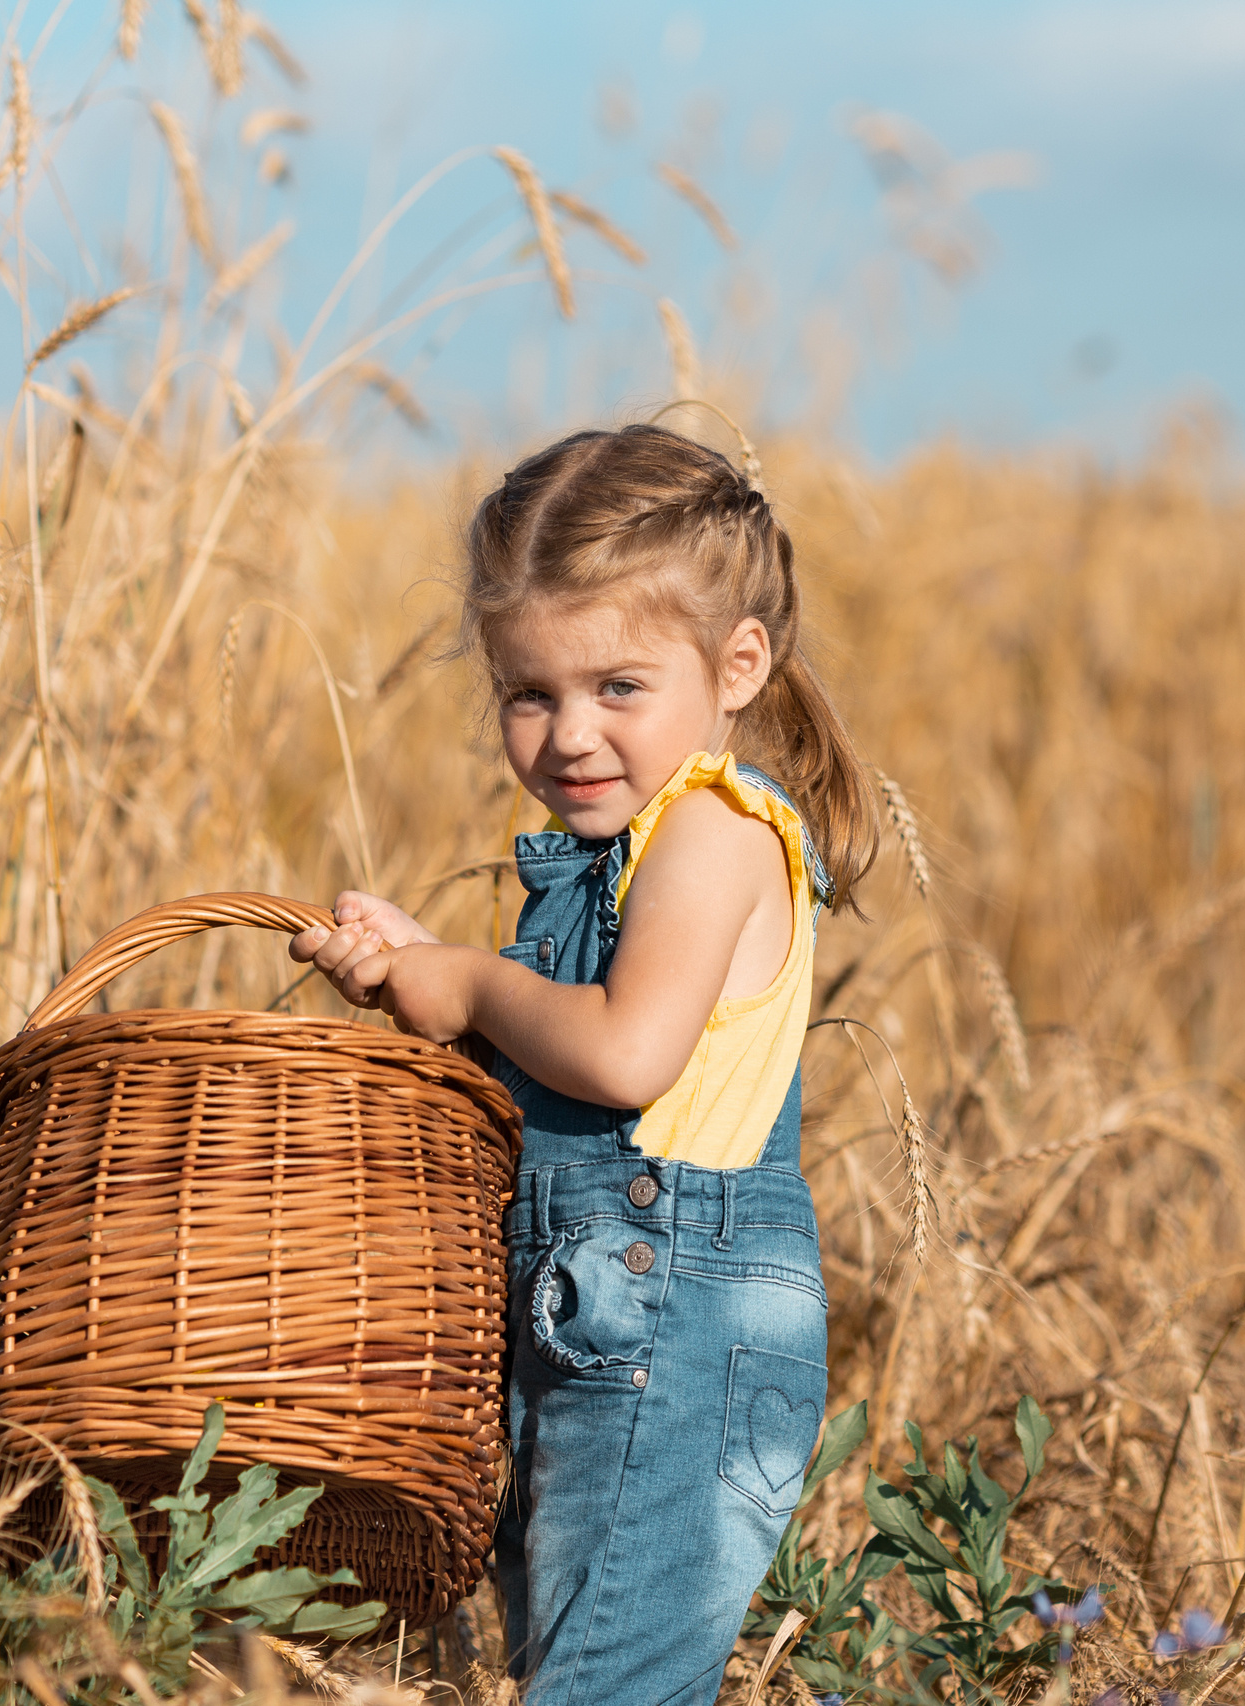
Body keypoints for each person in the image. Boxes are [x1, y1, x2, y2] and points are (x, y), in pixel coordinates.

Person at [290, 422, 878, 1704]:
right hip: (592, 1308)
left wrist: (480, 981)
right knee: (574, 1668)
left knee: (608, 1683)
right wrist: (422, 982)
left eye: (618, 686)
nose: (569, 734)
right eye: (528, 691)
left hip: (676, 1316)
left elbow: (623, 1054)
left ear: (736, 665)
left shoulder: (714, 836)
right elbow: (550, 1079)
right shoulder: (615, 860)